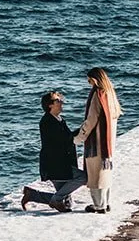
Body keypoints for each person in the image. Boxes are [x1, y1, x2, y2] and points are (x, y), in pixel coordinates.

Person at [21, 90, 86, 213]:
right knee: (83, 178)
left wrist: (85, 128)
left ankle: (32, 195)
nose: (62, 102)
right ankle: (50, 199)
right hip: (55, 165)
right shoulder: (47, 122)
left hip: (62, 163)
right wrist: (83, 130)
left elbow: (67, 137)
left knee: (68, 204)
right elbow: (62, 140)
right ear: (50, 105)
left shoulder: (59, 119)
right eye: (58, 100)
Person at [74, 67, 122, 213]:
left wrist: (79, 138)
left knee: (95, 175)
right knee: (105, 173)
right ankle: (105, 203)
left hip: (97, 141)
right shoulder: (110, 94)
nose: (89, 84)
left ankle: (98, 205)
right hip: (108, 142)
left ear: (94, 79)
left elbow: (91, 120)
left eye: (89, 81)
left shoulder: (98, 94)